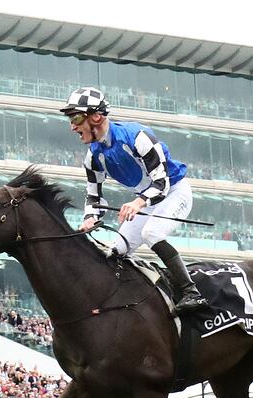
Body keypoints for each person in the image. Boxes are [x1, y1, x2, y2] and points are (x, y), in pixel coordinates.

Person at [60, 86, 208, 314]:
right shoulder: (93, 158)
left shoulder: (138, 137)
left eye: (77, 118)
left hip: (174, 191)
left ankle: (192, 293)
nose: (72, 126)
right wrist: (89, 218)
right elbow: (93, 196)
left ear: (96, 117)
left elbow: (162, 184)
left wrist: (138, 203)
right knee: (115, 252)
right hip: (148, 200)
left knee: (152, 233)